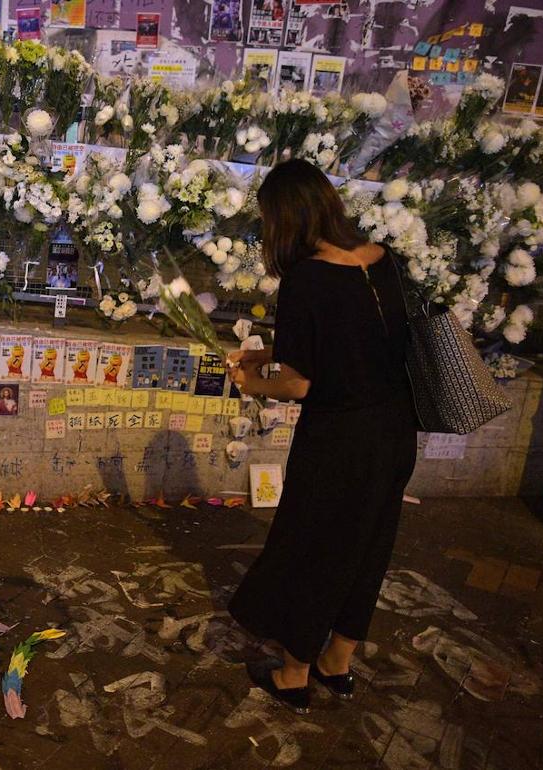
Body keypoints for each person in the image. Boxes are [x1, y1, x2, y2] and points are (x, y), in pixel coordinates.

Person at [225, 159, 418, 714]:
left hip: (339, 440)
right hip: (393, 432)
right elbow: (352, 340)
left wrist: (251, 380)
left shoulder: (308, 277)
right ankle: (338, 661)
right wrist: (265, 354)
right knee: (367, 547)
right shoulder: (382, 260)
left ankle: (294, 672)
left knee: (314, 547)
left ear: (284, 218)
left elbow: (301, 382)